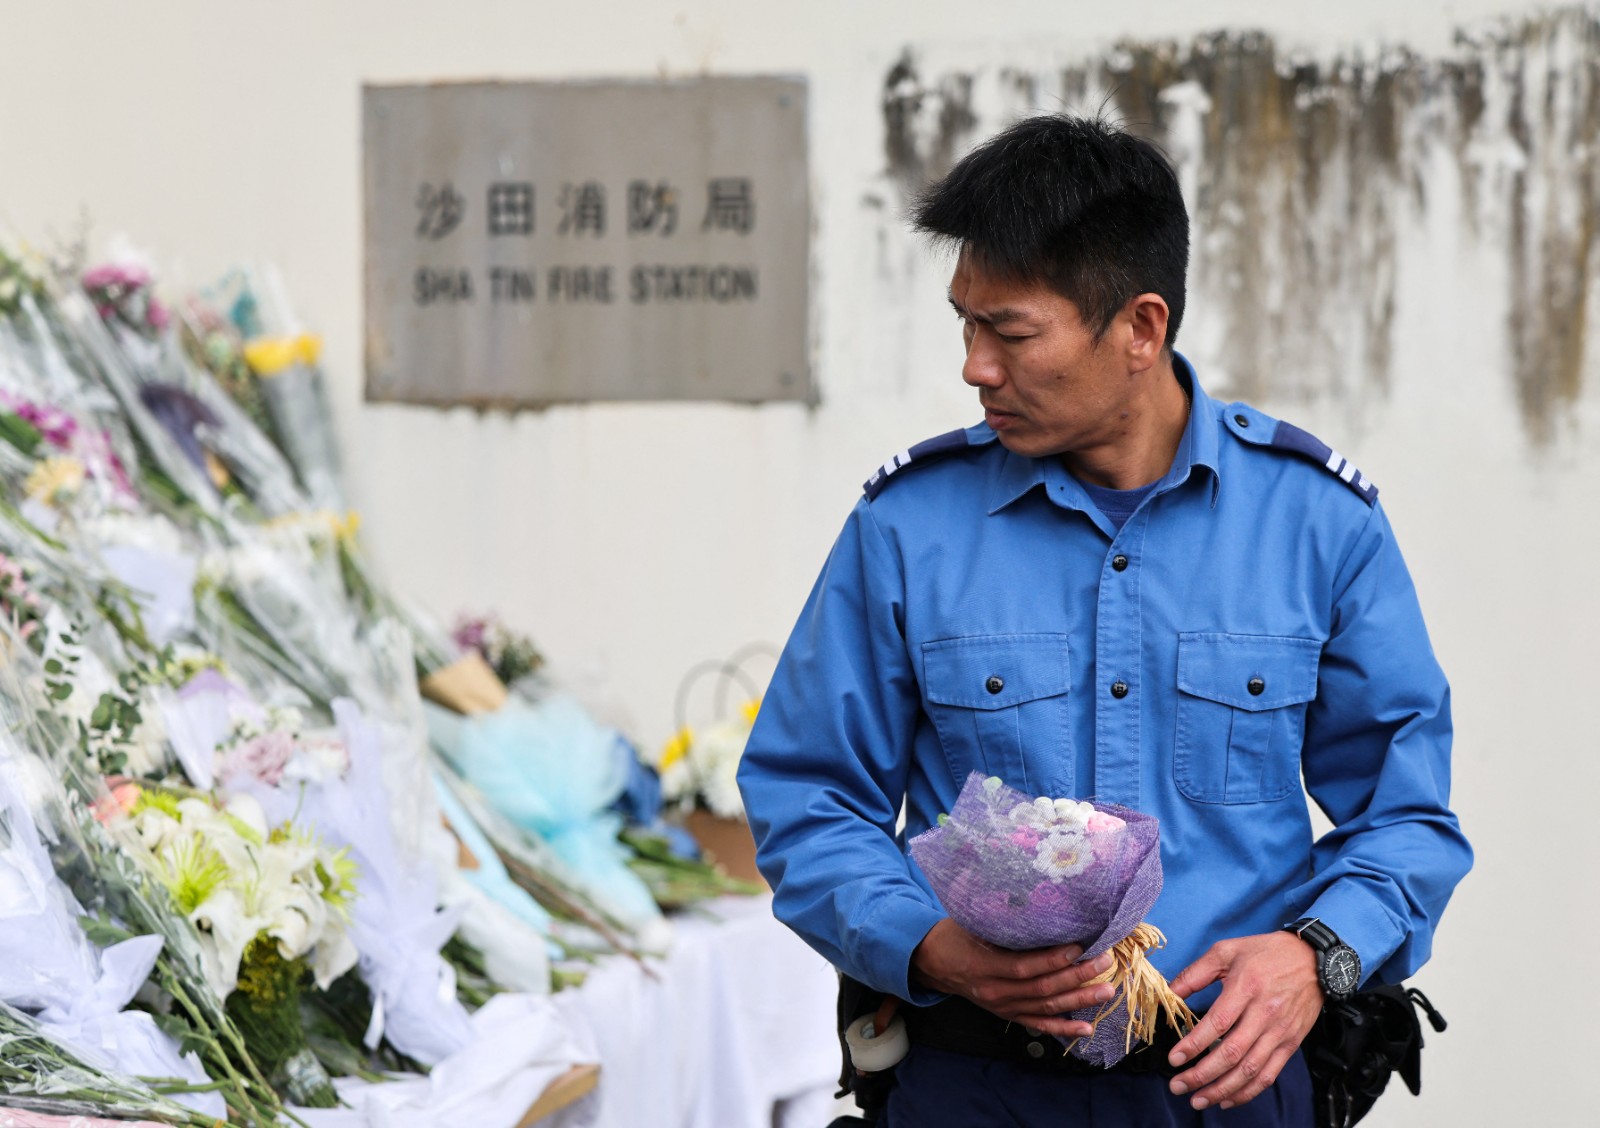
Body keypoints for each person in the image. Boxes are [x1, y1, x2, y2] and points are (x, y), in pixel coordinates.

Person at [736, 114, 1471, 1127]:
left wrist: (1317, 957)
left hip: (1228, 1091)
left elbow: (1405, 816)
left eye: (1011, 333)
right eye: (965, 324)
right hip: (973, 1089)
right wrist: (927, 946)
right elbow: (808, 794)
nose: (975, 366)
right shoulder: (908, 527)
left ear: (1140, 328)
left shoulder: (1315, 524)